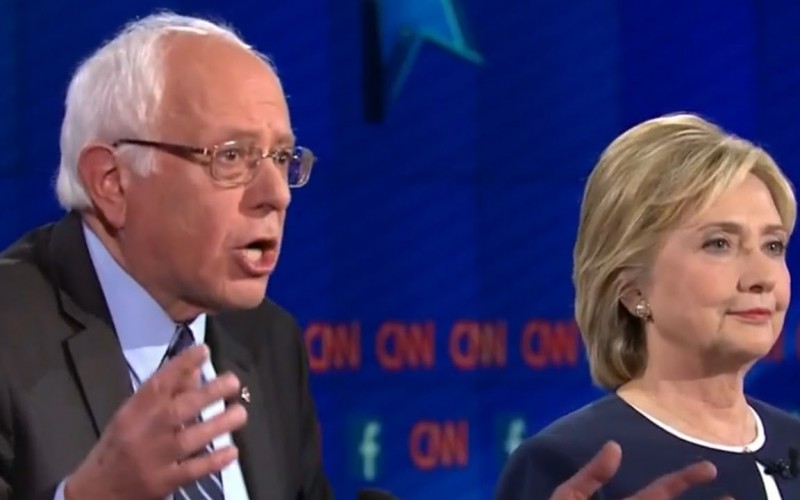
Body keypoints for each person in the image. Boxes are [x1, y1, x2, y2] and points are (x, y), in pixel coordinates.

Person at [0, 12, 331, 500]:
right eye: (232, 156)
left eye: (281, 158)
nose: (276, 194)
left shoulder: (268, 341)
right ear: (112, 182)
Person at [494, 112, 800, 499]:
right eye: (719, 243)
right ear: (633, 289)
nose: (763, 276)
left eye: (773, 246)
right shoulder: (567, 466)